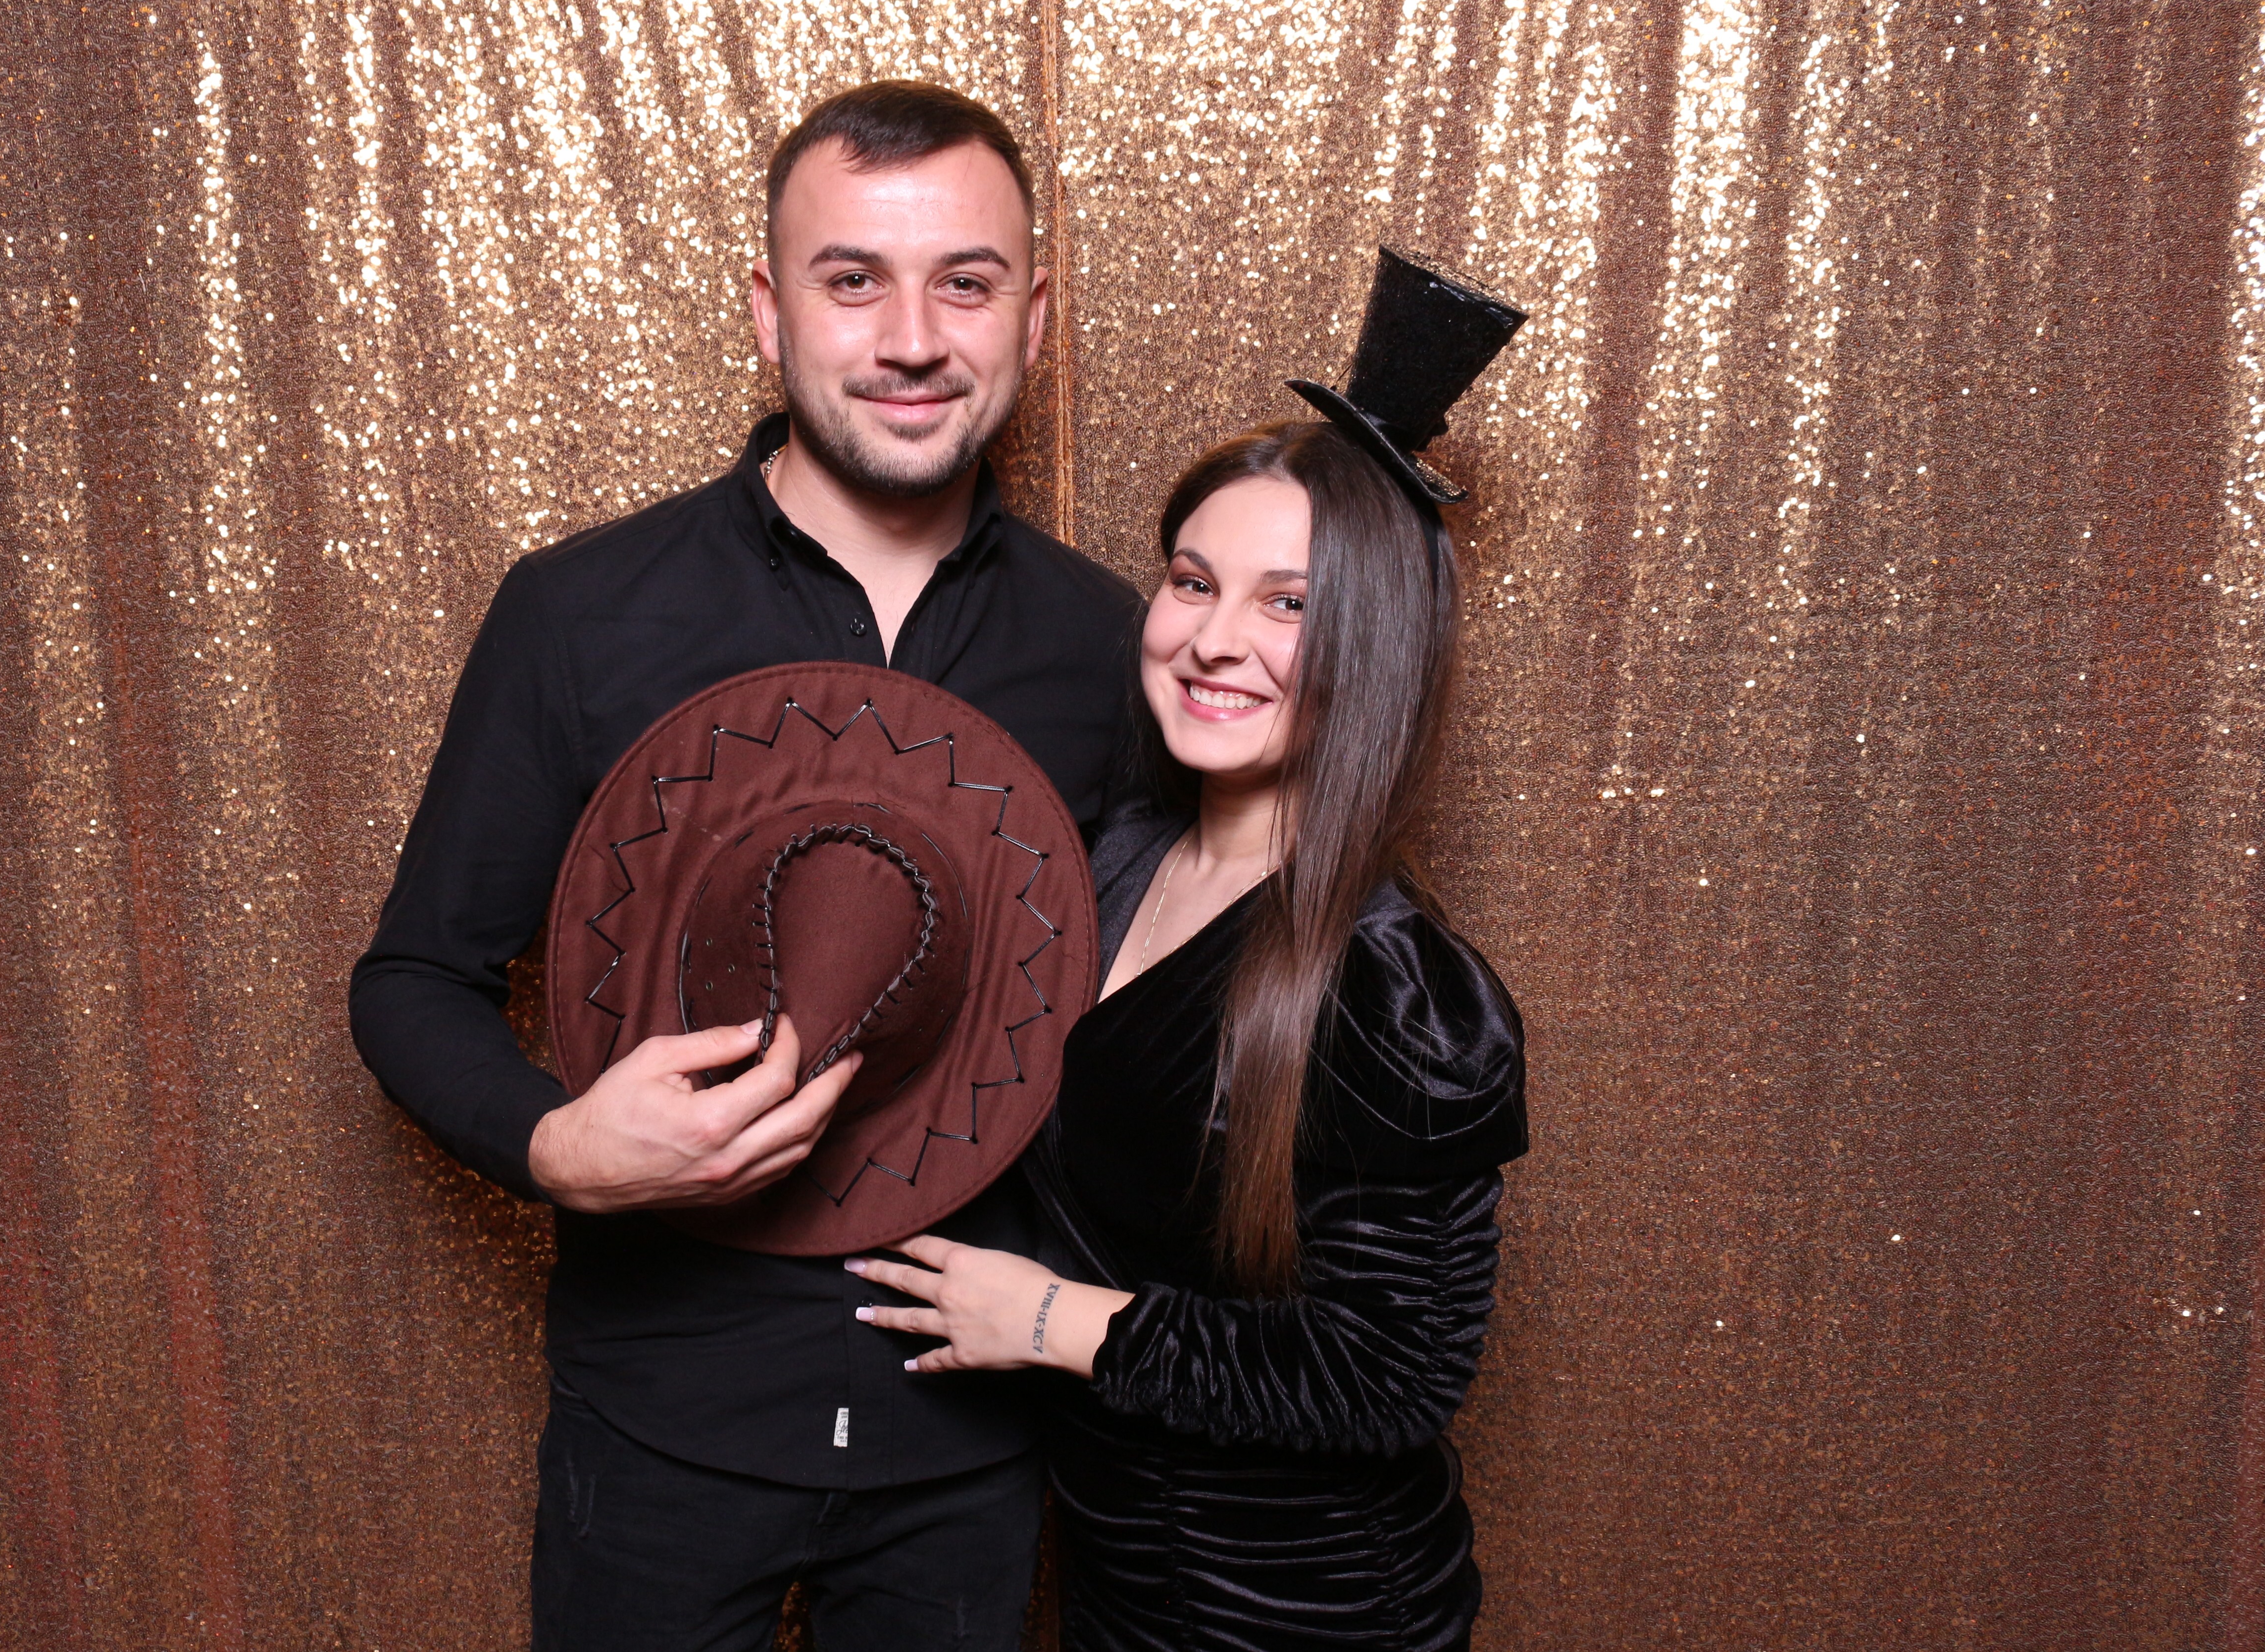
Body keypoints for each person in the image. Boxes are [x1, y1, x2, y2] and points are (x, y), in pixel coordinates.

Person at [350, 81, 1139, 1652]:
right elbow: (413, 980)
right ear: (770, 315)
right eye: (853, 280)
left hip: (972, 1447)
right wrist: (559, 1147)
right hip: (662, 1430)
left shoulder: (1118, 645)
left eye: (965, 283)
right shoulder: (583, 613)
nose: (911, 337)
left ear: (1034, 320)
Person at [846, 255, 1532, 1650]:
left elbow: (1390, 1378)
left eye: (1290, 604)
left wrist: (1052, 1318)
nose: (1216, 640)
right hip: (1123, 1587)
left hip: (1310, 1617)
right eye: (1192, 581)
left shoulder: (1398, 991)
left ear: (1378, 647)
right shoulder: (1110, 863)